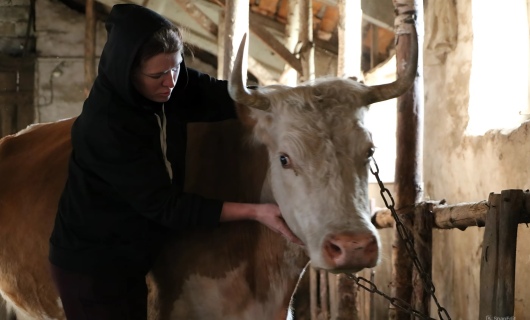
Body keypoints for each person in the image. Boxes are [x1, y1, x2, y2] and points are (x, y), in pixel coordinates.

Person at [48, 4, 301, 320]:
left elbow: (219, 96)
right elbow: (165, 207)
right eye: (158, 74)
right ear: (127, 71)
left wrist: (284, 101)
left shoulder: (167, 83)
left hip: (132, 255)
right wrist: (256, 212)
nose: (170, 82)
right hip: (92, 265)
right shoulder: (107, 125)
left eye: (177, 68)